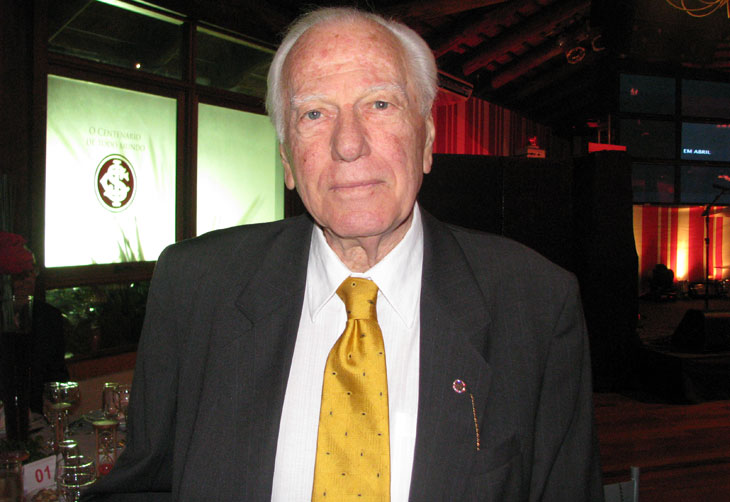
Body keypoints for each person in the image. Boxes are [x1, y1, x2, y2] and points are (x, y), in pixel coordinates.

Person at [82, 7, 603, 501]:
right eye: (314, 113)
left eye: (380, 104)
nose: (348, 144)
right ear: (287, 159)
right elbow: (143, 488)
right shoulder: (196, 288)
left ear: (426, 139)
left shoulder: (535, 305)